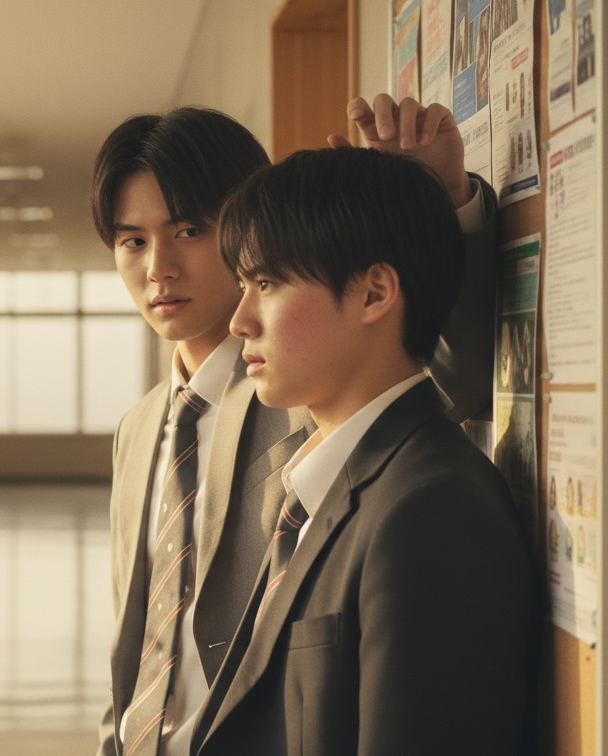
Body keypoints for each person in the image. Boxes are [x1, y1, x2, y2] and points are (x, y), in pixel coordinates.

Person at [92, 94, 498, 756]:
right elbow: (135, 638)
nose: (158, 267)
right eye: (132, 240)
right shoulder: (136, 430)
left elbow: (454, 381)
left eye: (189, 230)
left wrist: (436, 204)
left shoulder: (314, 388)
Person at [192, 147, 536, 755]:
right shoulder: (313, 486)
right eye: (244, 286)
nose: (240, 320)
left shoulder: (433, 509)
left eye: (267, 284)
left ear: (374, 293)